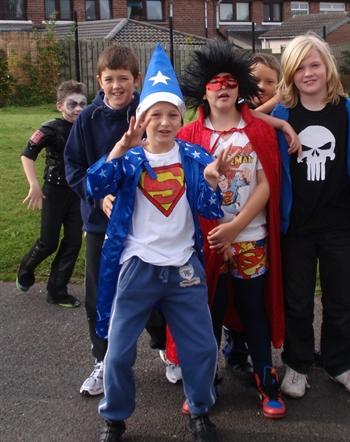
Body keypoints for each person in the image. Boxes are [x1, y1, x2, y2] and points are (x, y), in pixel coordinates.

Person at [88, 45, 224, 442]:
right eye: (155, 114)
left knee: (201, 348)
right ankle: (115, 417)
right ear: (141, 118)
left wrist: (212, 181)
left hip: (183, 267)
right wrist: (120, 148)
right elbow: (94, 186)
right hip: (138, 266)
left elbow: (209, 207)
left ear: (181, 118)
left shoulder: (194, 157)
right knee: (117, 351)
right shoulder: (130, 159)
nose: (164, 122)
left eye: (172, 114)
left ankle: (200, 410)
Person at [173, 40, 286, 419]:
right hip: (206, 243)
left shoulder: (258, 132)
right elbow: (183, 188)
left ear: (241, 87)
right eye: (214, 82)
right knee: (209, 311)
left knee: (254, 310)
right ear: (203, 90)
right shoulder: (189, 135)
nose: (222, 87)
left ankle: (266, 379)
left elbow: (267, 184)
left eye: (230, 81)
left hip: (250, 237)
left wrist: (236, 226)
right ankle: (204, 382)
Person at [272, 33, 350, 399]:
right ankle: (297, 363)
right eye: (298, 68)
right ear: (289, 74)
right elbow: (246, 115)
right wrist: (281, 121)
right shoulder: (282, 113)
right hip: (296, 226)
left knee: (340, 299)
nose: (308, 73)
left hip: (339, 223)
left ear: (328, 67)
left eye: (314, 64)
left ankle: (339, 362)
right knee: (297, 301)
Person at [64, 45, 166, 397]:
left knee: (151, 288)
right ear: (99, 81)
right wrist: (98, 195)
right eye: (109, 79)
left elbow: (164, 158)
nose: (116, 86)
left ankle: (164, 345)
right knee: (100, 293)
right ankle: (103, 358)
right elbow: (74, 168)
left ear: (136, 79)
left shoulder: (148, 113)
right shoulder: (87, 120)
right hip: (100, 223)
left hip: (143, 222)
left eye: (123, 78)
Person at [221, 52, 283, 376]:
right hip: (224, 228)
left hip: (259, 223)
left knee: (255, 298)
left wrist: (281, 115)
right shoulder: (237, 114)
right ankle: (233, 349)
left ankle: (259, 362)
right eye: (255, 79)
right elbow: (250, 115)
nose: (262, 87)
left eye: (270, 82)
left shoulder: (271, 119)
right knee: (223, 298)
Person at [16, 80, 86, 308]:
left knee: (73, 242)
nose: (78, 109)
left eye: (82, 104)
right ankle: (25, 269)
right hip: (53, 193)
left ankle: (57, 291)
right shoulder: (50, 128)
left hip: (77, 192)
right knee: (48, 242)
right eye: (72, 104)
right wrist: (34, 184)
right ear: (60, 105)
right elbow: (27, 154)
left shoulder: (86, 127)